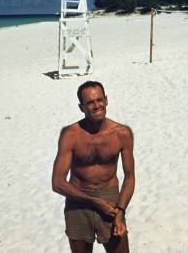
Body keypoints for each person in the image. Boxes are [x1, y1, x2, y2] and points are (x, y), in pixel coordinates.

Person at [52, 81, 135, 253]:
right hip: (78, 200)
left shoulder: (122, 133)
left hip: (110, 198)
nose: (96, 105)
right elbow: (58, 183)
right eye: (90, 103)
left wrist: (120, 211)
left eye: (99, 100)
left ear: (106, 100)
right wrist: (94, 202)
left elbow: (130, 177)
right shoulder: (70, 134)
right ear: (81, 107)